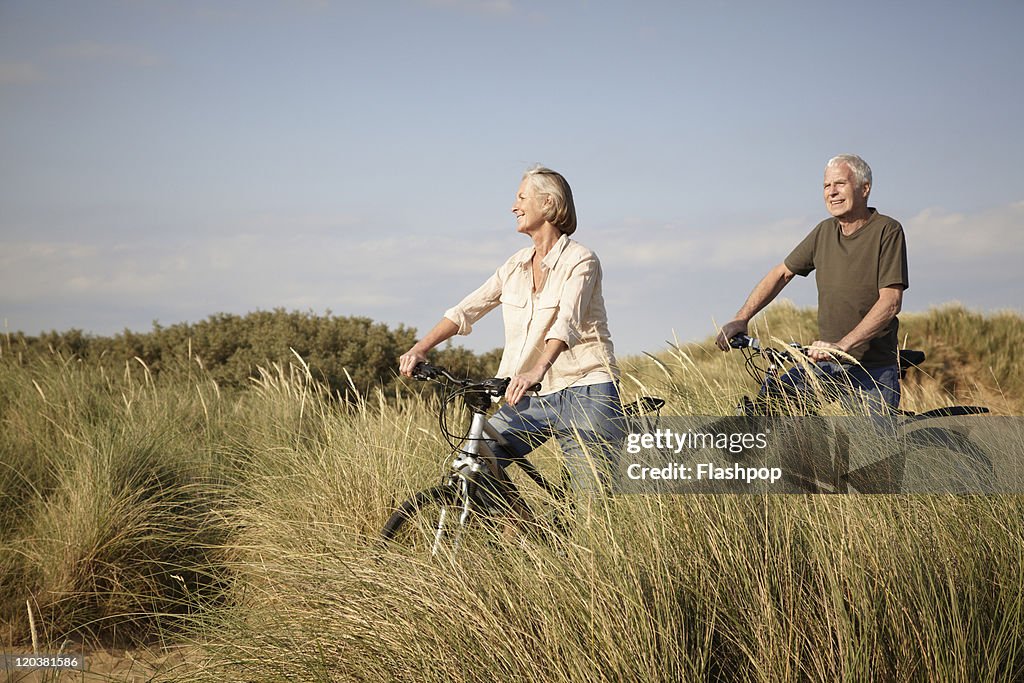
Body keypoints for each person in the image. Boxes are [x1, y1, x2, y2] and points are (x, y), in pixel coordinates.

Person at [398, 165, 625, 496]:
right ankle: (525, 537)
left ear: (548, 204)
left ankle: (582, 544)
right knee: (475, 465)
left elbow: (568, 321)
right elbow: (467, 309)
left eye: (521, 197)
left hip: (586, 391)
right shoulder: (515, 266)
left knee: (592, 507)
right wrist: (421, 347)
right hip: (529, 395)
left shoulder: (581, 260)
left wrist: (537, 369)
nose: (513, 206)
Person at [715, 154, 910, 414]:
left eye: (840, 184)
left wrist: (843, 346)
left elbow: (890, 302)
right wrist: (742, 318)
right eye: (826, 186)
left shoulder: (887, 230)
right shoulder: (823, 232)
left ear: (865, 189)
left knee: (873, 452)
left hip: (871, 368)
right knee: (769, 408)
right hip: (825, 363)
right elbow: (781, 274)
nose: (832, 192)